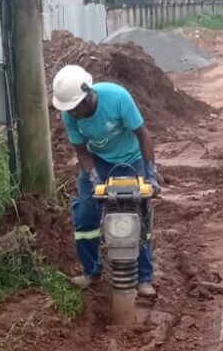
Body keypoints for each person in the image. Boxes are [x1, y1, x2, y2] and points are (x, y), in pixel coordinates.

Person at [51, 64, 158, 299]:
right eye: (70, 110)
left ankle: (144, 278)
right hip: (97, 161)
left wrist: (150, 174)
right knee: (85, 213)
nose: (73, 113)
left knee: (138, 212)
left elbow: (143, 135)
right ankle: (92, 271)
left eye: (76, 108)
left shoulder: (117, 98)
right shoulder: (69, 114)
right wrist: (94, 178)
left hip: (132, 159)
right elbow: (81, 150)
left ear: (88, 93)